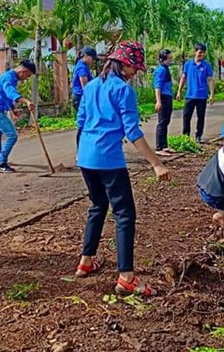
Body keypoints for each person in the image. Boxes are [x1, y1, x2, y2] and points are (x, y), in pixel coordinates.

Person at [74, 41, 170, 297]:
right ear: (122, 63)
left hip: (85, 157)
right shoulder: (123, 90)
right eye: (134, 67)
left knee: (97, 206)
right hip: (108, 160)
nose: (136, 72)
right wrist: (156, 163)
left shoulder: (92, 85)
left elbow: (80, 122)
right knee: (124, 215)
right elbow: (133, 132)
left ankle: (86, 259)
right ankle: (126, 277)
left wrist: (83, 153)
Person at [0, 60, 37, 173]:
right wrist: (26, 101)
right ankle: (0, 163)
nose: (26, 78)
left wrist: (13, 109)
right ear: (23, 71)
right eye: (27, 76)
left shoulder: (11, 77)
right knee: (12, 135)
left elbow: (6, 96)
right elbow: (10, 93)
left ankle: (0, 158)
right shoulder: (8, 78)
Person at [176, 43, 214, 144]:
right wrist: (179, 91)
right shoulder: (188, 64)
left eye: (203, 53)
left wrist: (211, 94)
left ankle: (198, 136)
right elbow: (183, 78)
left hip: (202, 96)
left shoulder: (206, 65)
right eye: (200, 52)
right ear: (195, 52)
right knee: (186, 116)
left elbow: (210, 80)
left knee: (200, 117)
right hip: (190, 95)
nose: (201, 55)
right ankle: (186, 136)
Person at [153, 49, 175, 157]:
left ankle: (164, 145)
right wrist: (158, 101)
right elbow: (157, 86)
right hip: (163, 97)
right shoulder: (160, 70)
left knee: (166, 121)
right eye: (169, 58)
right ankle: (159, 147)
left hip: (168, 97)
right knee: (162, 123)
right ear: (163, 59)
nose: (171, 60)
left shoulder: (165, 69)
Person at [71, 46, 98, 111]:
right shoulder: (82, 68)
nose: (93, 61)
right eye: (92, 58)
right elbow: (85, 87)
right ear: (86, 56)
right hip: (80, 97)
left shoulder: (81, 65)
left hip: (79, 97)